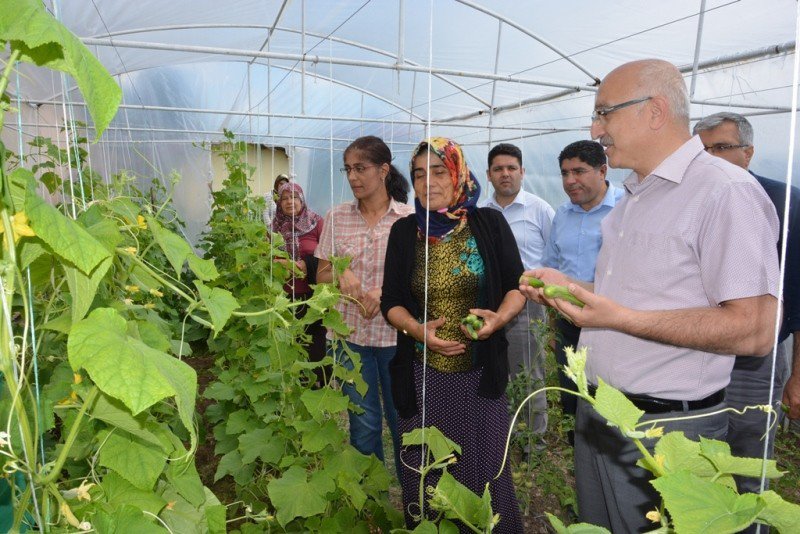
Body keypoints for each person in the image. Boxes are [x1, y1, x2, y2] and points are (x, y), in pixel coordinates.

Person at [520, 59, 780, 532]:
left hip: (668, 430)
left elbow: (755, 329)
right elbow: (631, 300)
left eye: (605, 112)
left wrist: (618, 317)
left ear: (654, 111)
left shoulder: (725, 192)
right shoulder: (634, 198)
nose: (595, 127)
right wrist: (573, 290)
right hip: (602, 414)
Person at [382, 137, 524, 532]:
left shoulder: (489, 224)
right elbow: (390, 301)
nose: (428, 182)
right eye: (419, 174)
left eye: (439, 171)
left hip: (480, 376)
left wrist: (497, 318)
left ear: (459, 172)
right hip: (423, 376)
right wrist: (417, 330)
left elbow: (516, 286)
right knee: (429, 472)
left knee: (485, 468)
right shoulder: (404, 232)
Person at [693, 112, 800, 497]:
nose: (710, 157)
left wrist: (798, 377)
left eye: (721, 147)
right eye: (702, 150)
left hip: (755, 358)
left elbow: (798, 295)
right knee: (697, 454)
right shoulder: (687, 202)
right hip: (695, 350)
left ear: (749, 152)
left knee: (749, 451)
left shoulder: (784, 202)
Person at [315, 135, 412, 476]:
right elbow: (322, 275)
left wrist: (385, 291)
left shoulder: (408, 218)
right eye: (348, 170)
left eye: (361, 168)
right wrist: (343, 276)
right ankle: (371, 505)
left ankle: (415, 502)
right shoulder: (337, 217)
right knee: (364, 424)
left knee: (404, 422)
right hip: (349, 338)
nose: (353, 177)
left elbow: (420, 277)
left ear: (383, 170)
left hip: (396, 338)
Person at [542, 140, 623, 427]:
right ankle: (577, 454)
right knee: (571, 396)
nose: (570, 180)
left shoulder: (625, 210)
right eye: (564, 173)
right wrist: (553, 324)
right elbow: (552, 267)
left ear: (602, 170)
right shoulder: (562, 214)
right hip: (567, 322)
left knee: (608, 401)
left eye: (579, 171)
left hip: (609, 323)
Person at [483, 143, 553, 444]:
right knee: (497, 371)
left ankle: (533, 441)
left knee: (529, 372)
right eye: (498, 169)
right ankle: (503, 434)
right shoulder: (480, 213)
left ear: (522, 172)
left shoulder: (539, 209)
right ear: (489, 175)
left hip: (528, 304)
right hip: (491, 304)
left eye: (511, 168)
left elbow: (554, 256)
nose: (505, 174)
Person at [271, 181, 327, 384]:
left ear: (301, 200)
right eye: (284, 198)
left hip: (314, 294)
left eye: (294, 197)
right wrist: (279, 263)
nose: (289, 202)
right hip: (285, 296)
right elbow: (265, 258)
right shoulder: (274, 228)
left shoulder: (316, 223)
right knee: (292, 342)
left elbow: (328, 255)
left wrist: (304, 264)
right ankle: (298, 386)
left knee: (316, 341)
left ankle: (320, 384)